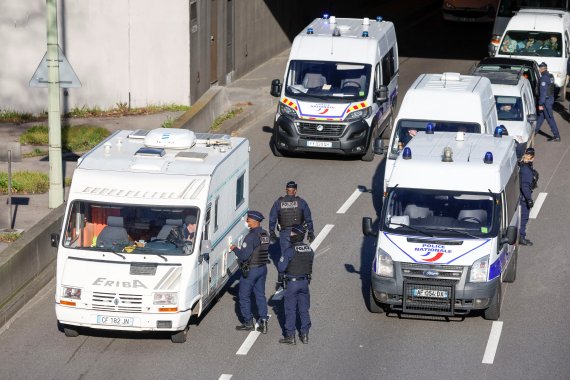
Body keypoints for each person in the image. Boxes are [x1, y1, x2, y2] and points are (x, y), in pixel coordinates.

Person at [232, 211, 271, 333]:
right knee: (260, 295)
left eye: (248, 220)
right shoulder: (265, 234)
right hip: (262, 268)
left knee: (244, 296)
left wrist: (235, 249)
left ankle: (248, 322)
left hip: (251, 270)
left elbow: (244, 256)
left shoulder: (250, 237)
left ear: (254, 222)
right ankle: (263, 321)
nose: (247, 222)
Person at [277, 224, 314, 345]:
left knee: (290, 309)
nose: (290, 235)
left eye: (292, 234)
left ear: (297, 235)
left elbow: (281, 267)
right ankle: (305, 335)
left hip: (292, 283)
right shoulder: (309, 250)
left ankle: (290, 336)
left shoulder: (290, 251)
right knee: (304, 309)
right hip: (304, 283)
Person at [269, 181, 315, 255]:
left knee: (286, 255)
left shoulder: (278, 203)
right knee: (297, 255)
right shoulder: (301, 202)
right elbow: (308, 218)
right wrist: (311, 232)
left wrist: (272, 233)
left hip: (284, 232)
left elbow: (272, 219)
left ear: (286, 190)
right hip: (298, 232)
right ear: (295, 191)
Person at [535, 62, 561, 142]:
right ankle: (534, 131)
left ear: (542, 68)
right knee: (541, 117)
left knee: (550, 118)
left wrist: (540, 103)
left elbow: (543, 92)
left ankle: (557, 136)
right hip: (550, 99)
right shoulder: (550, 76)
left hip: (546, 101)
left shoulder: (544, 78)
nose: (539, 69)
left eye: (539, 68)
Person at [519, 147, 537, 246]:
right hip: (523, 197)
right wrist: (529, 199)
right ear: (532, 157)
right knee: (524, 217)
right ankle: (521, 237)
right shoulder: (526, 169)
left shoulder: (522, 164)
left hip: (520, 195)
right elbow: (525, 186)